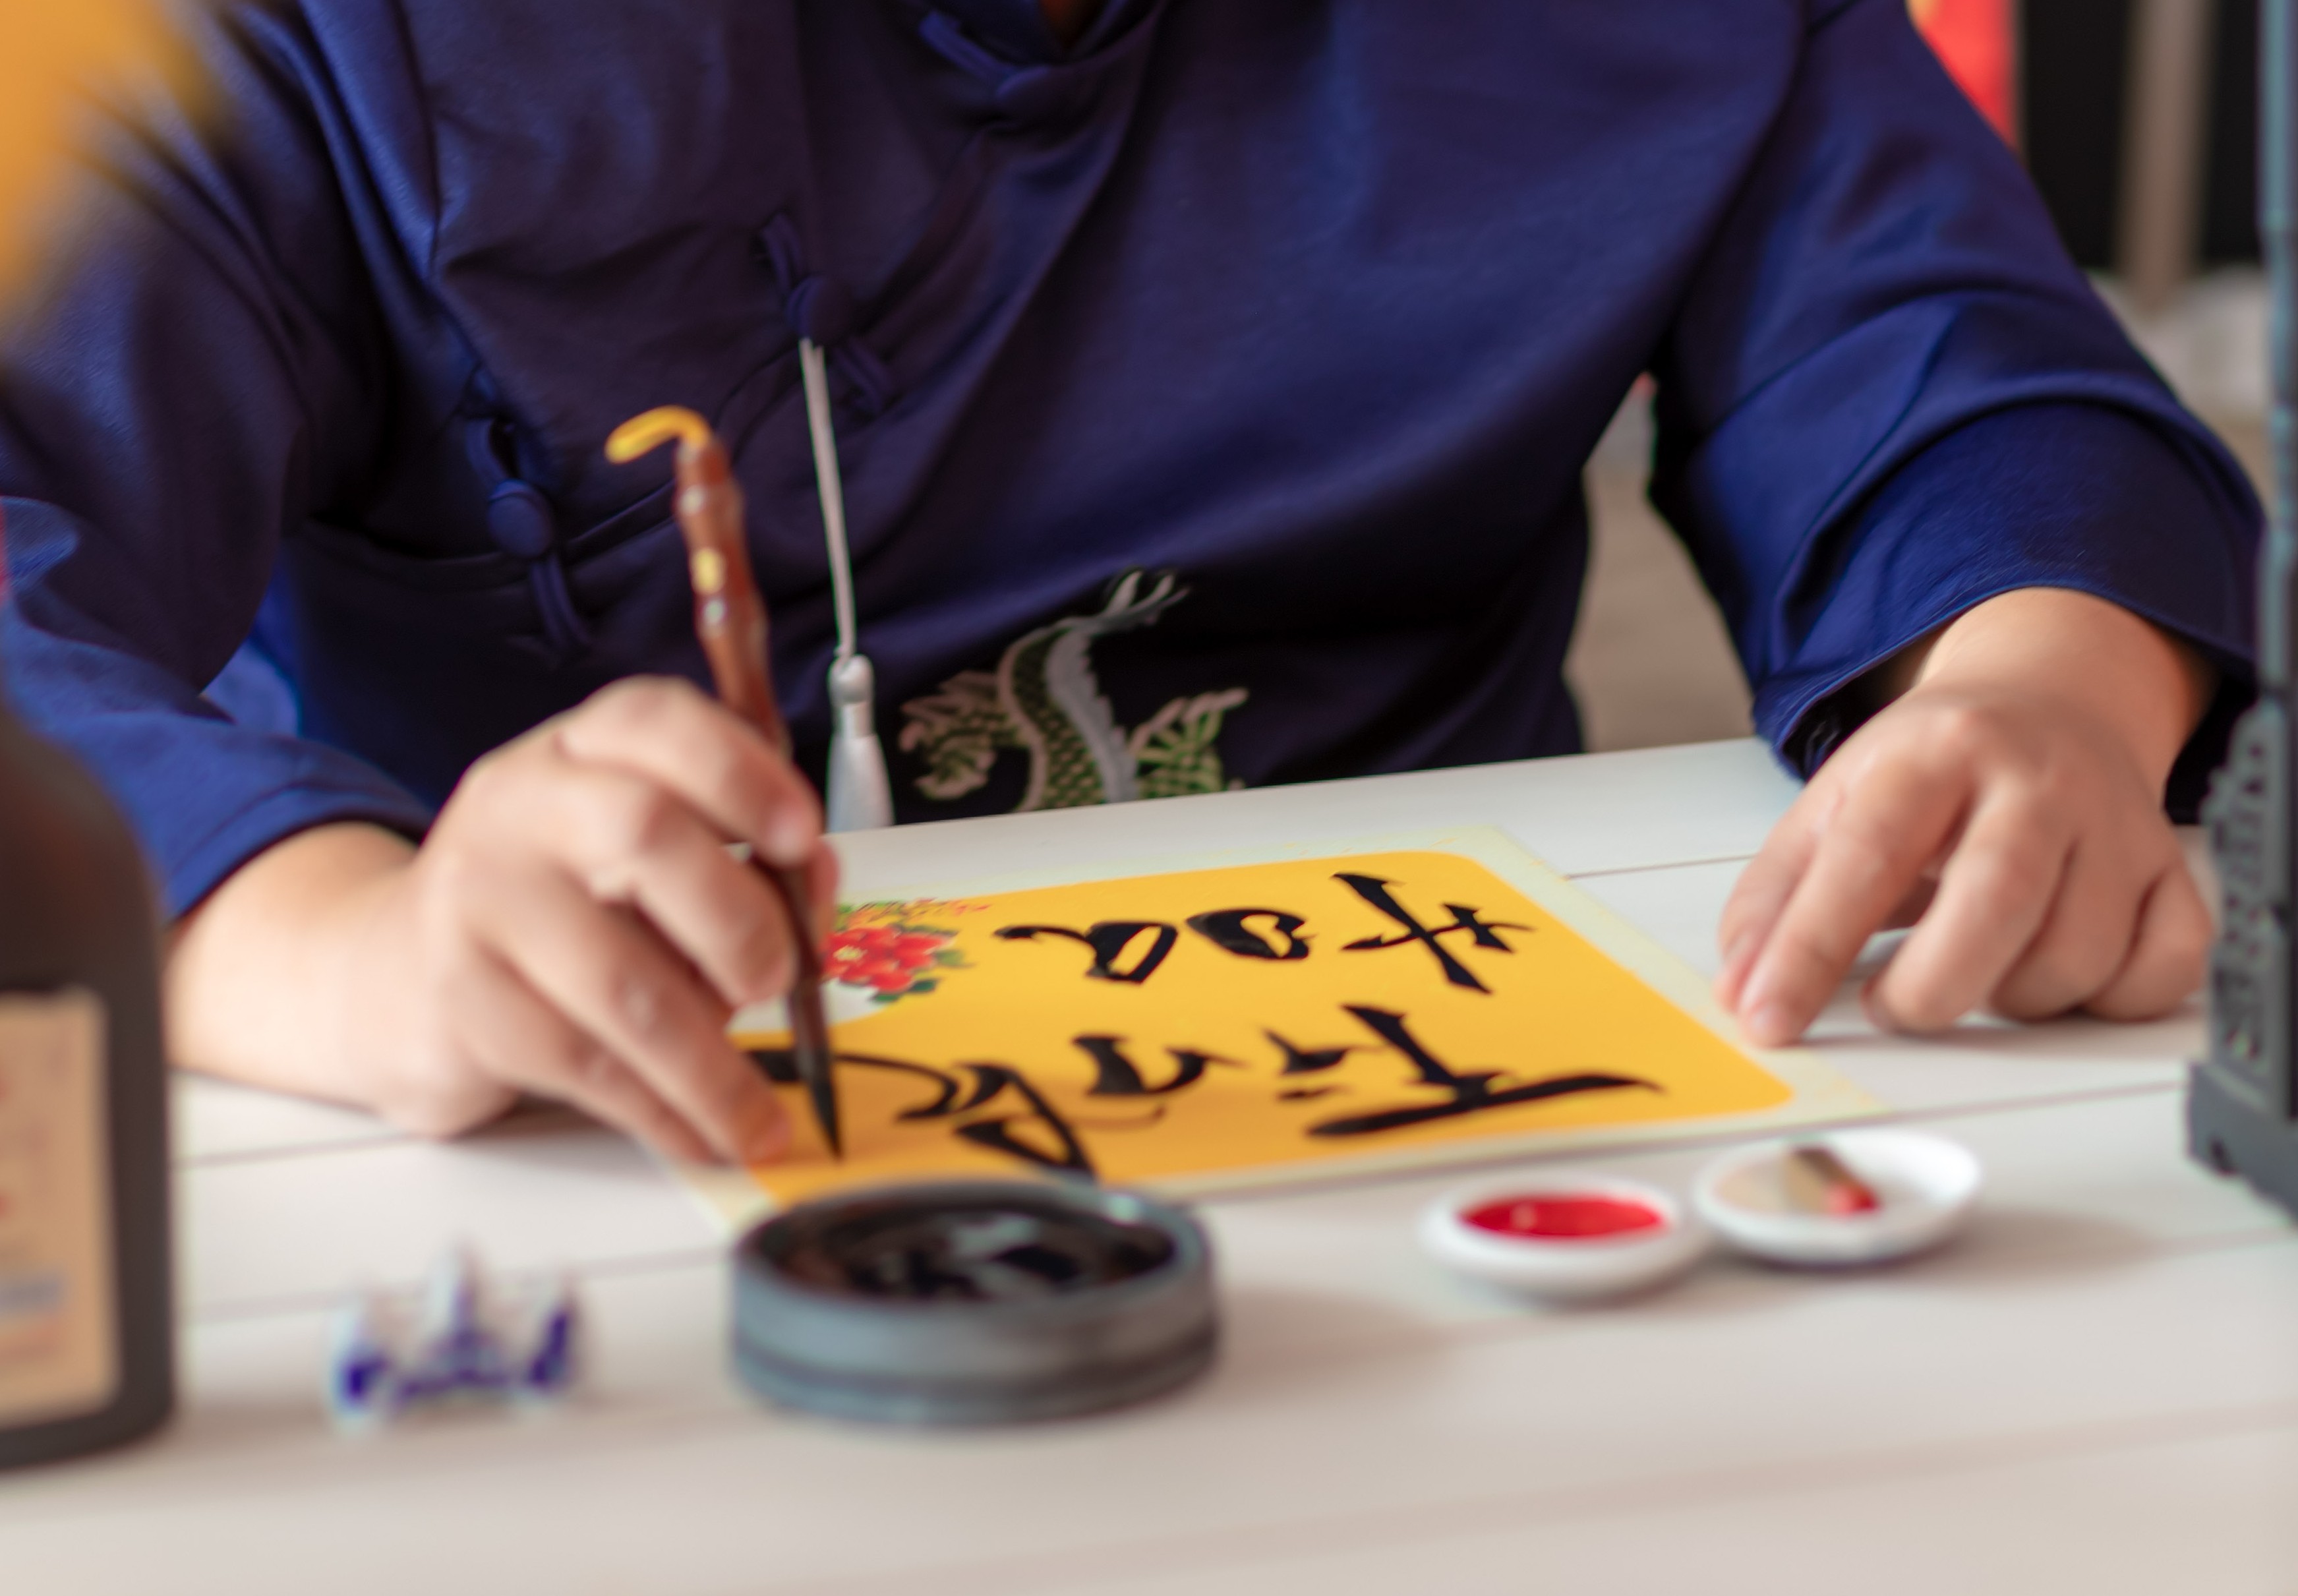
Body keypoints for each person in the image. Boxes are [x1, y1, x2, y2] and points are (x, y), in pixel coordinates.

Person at [0, 0, 2257, 1164]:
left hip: (1464, 1108)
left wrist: (2039, 698)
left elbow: (1955, 378)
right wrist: (343, 941)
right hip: (568, 1124)